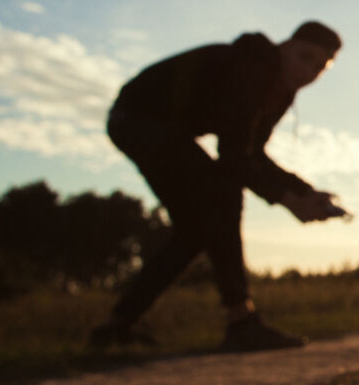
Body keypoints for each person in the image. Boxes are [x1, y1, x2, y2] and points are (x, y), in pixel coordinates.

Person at [89, 20, 344, 352]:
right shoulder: (253, 67)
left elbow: (252, 153)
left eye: (320, 67)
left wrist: (303, 191)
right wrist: (288, 200)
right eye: (304, 57)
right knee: (223, 191)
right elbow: (233, 157)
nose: (309, 71)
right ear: (286, 46)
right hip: (138, 119)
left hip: (163, 130)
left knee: (194, 231)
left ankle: (116, 325)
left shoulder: (280, 90)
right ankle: (241, 321)